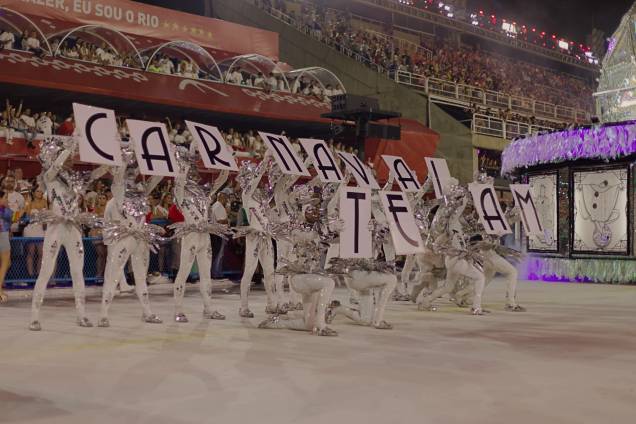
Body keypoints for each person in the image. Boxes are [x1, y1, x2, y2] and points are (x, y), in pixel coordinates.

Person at [29, 137, 109, 331]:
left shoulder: (77, 180)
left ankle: (81, 315)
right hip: (56, 227)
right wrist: (70, 144)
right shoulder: (49, 177)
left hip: (73, 229)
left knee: (77, 272)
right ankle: (34, 317)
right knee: (46, 271)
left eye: (72, 155)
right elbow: (56, 166)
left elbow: (99, 173)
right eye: (68, 156)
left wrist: (110, 156)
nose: (71, 158)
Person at [170, 147, 230, 322]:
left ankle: (208, 308)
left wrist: (225, 161)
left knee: (206, 274)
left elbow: (222, 180)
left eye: (195, 170)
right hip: (191, 237)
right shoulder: (181, 195)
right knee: (183, 272)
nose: (194, 174)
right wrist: (187, 158)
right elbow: (179, 180)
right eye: (191, 170)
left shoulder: (204, 194)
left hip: (205, 237)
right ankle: (178, 309)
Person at [23, 186, 47, 278]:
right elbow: (26, 216)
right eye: (37, 191)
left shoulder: (45, 202)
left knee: (41, 253)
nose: (40, 193)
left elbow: (47, 215)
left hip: (42, 229)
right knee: (31, 252)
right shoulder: (29, 202)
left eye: (41, 191)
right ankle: (30, 275)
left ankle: (39, 274)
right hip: (32, 228)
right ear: (33, 193)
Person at [211, 187, 231, 280]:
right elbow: (220, 220)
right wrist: (227, 220)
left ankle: (216, 272)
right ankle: (216, 273)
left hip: (217, 232)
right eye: (226, 197)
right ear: (221, 197)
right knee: (218, 253)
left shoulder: (216, 205)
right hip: (218, 233)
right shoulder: (218, 206)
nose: (227, 199)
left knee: (217, 253)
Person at [0, 191, 12, 303]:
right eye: (5, 198)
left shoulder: (4, 208)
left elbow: (10, 219)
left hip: (4, 234)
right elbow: (11, 218)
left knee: (7, 263)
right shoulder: (3, 208)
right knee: (5, 263)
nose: (6, 200)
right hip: (2, 235)